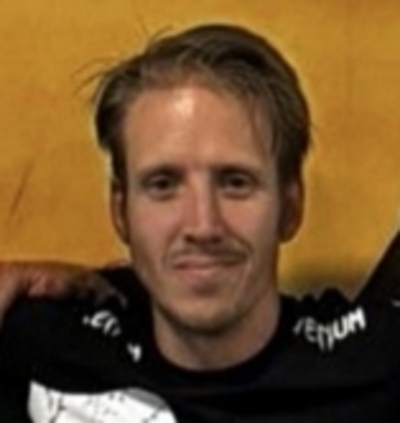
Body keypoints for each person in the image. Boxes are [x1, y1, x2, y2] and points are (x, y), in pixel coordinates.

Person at [1, 22, 400, 422]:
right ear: (121, 212)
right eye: (163, 185)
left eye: (235, 183)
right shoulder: (40, 349)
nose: (203, 225)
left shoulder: (376, 368)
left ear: (290, 207)